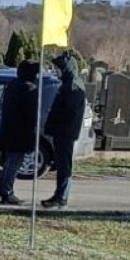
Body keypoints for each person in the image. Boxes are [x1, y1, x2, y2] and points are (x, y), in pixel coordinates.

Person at [42, 54, 86, 208]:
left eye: (58, 68)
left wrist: (56, 125)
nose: (56, 71)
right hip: (61, 131)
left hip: (65, 133)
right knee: (61, 165)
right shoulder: (68, 84)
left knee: (64, 166)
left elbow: (68, 112)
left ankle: (61, 196)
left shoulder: (73, 86)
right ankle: (59, 194)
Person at [0, 60, 40, 205]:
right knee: (13, 164)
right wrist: (33, 134)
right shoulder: (29, 89)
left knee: (8, 163)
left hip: (8, 130)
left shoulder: (12, 85)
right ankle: (7, 192)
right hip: (21, 133)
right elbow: (32, 116)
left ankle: (2, 191)